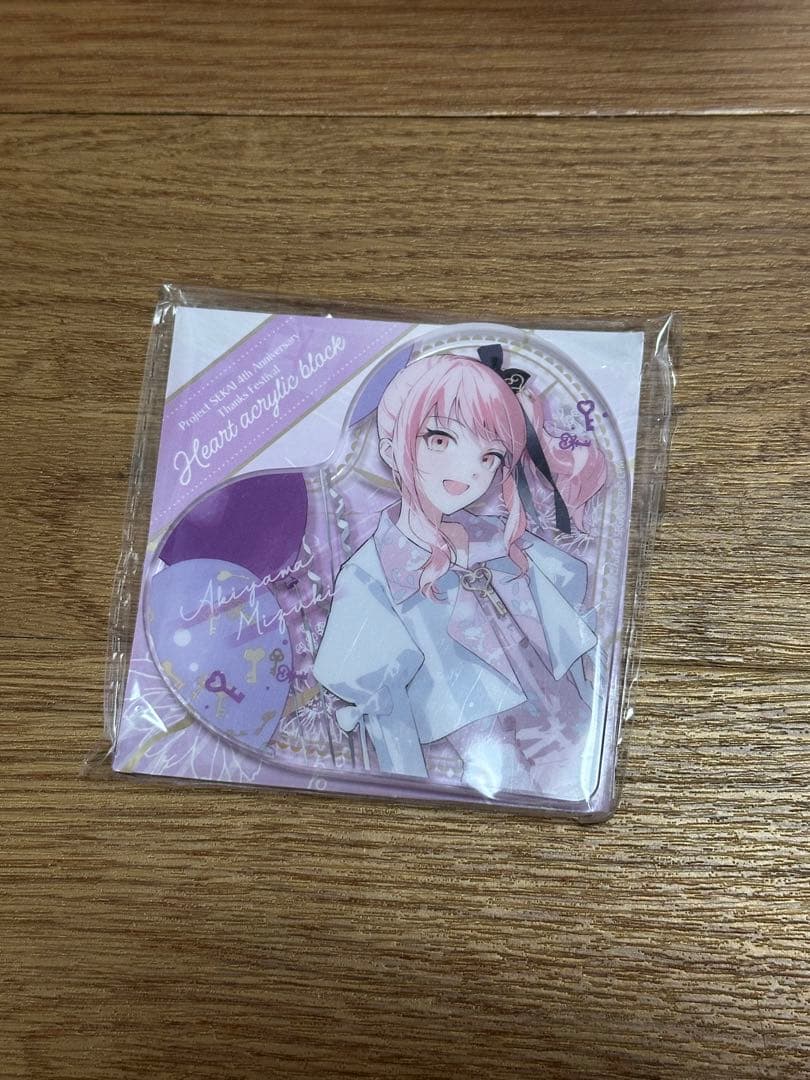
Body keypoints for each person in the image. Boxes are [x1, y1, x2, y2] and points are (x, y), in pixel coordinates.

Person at [312, 349, 607, 799]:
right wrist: (408, 794)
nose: (468, 471)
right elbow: (385, 708)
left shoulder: (502, 540)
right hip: (490, 750)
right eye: (439, 439)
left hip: (574, 722)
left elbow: (572, 637)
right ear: (391, 448)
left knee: (581, 776)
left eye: (489, 456)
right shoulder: (372, 575)